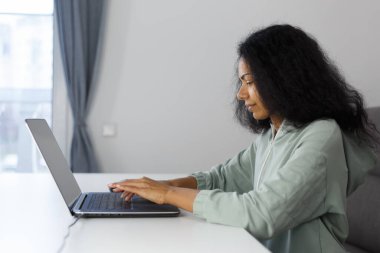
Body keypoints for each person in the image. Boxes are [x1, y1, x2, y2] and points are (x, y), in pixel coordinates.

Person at [108, 24, 379, 253]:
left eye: (249, 82)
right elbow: (223, 179)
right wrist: (162, 186)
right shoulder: (274, 134)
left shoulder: (321, 135)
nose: (240, 94)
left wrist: (168, 194)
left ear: (283, 79)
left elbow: (263, 213)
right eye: (241, 83)